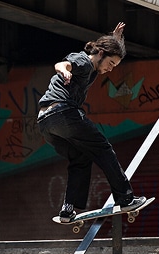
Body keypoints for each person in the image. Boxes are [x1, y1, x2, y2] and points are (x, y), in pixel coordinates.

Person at [38, 22, 146, 222]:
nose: (110, 69)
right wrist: (64, 71)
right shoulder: (84, 61)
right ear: (101, 53)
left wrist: (115, 39)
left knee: (80, 157)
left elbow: (103, 50)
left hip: (46, 123)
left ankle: (67, 210)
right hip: (64, 113)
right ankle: (126, 198)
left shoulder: (93, 68)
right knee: (103, 149)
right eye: (110, 63)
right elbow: (62, 64)